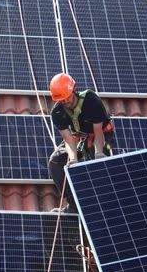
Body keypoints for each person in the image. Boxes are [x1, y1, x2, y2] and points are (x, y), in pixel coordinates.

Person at [47, 73, 114, 212]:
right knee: (55, 161)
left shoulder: (91, 100)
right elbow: (68, 139)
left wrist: (99, 153)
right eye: (62, 100)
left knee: (97, 162)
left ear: (73, 90)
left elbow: (98, 131)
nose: (66, 102)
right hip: (80, 137)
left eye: (67, 98)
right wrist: (73, 160)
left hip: (100, 134)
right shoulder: (57, 112)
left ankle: (104, 205)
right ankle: (74, 204)